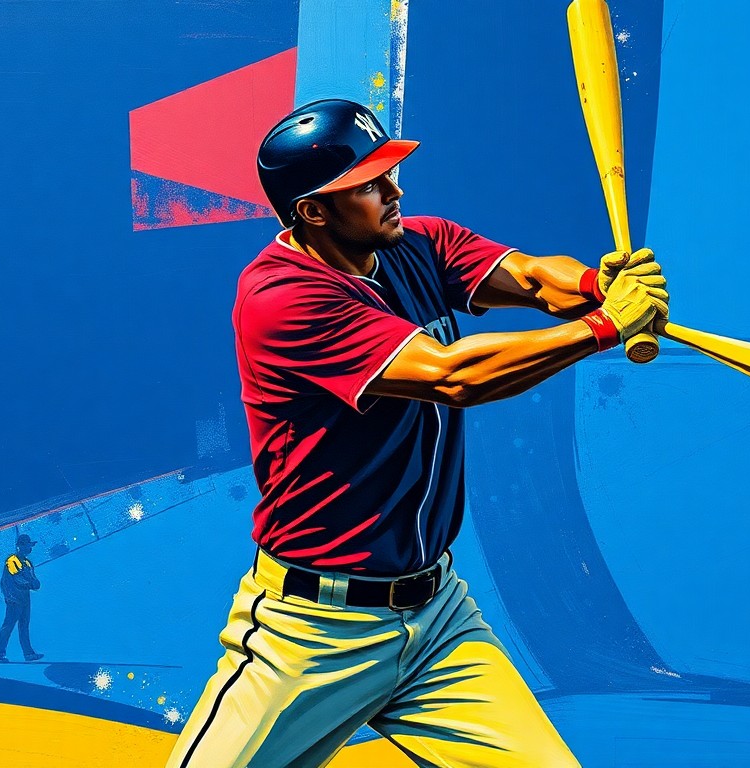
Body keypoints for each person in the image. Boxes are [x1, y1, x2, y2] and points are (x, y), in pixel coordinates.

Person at [165, 99, 668, 768]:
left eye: (390, 173)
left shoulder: (416, 244)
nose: (394, 190)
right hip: (313, 632)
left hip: (437, 621)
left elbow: (530, 277)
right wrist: (604, 328)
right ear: (313, 210)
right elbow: (455, 376)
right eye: (369, 184)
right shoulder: (282, 298)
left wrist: (593, 285)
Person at [0, 534, 43, 662]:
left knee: (24, 625)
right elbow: (18, 578)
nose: (30, 548)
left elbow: (32, 579)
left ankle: (28, 654)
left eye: (30, 546)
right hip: (14, 599)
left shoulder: (27, 562)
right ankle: (0, 653)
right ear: (20, 546)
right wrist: (31, 583)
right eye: (28, 545)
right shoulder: (12, 560)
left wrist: (35, 583)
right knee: (8, 625)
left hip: (25, 599)